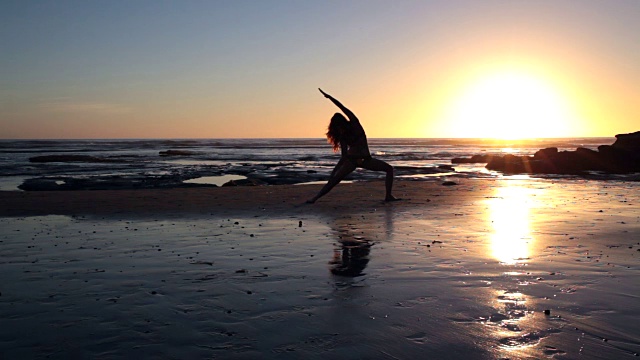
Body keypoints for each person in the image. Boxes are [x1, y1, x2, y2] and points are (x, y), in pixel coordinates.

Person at [307, 88, 397, 203]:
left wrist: (334, 172)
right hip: (365, 159)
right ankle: (388, 196)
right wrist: (329, 97)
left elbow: (344, 156)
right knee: (389, 169)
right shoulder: (355, 125)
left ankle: (315, 198)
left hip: (352, 161)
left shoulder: (343, 134)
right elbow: (343, 108)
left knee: (334, 181)